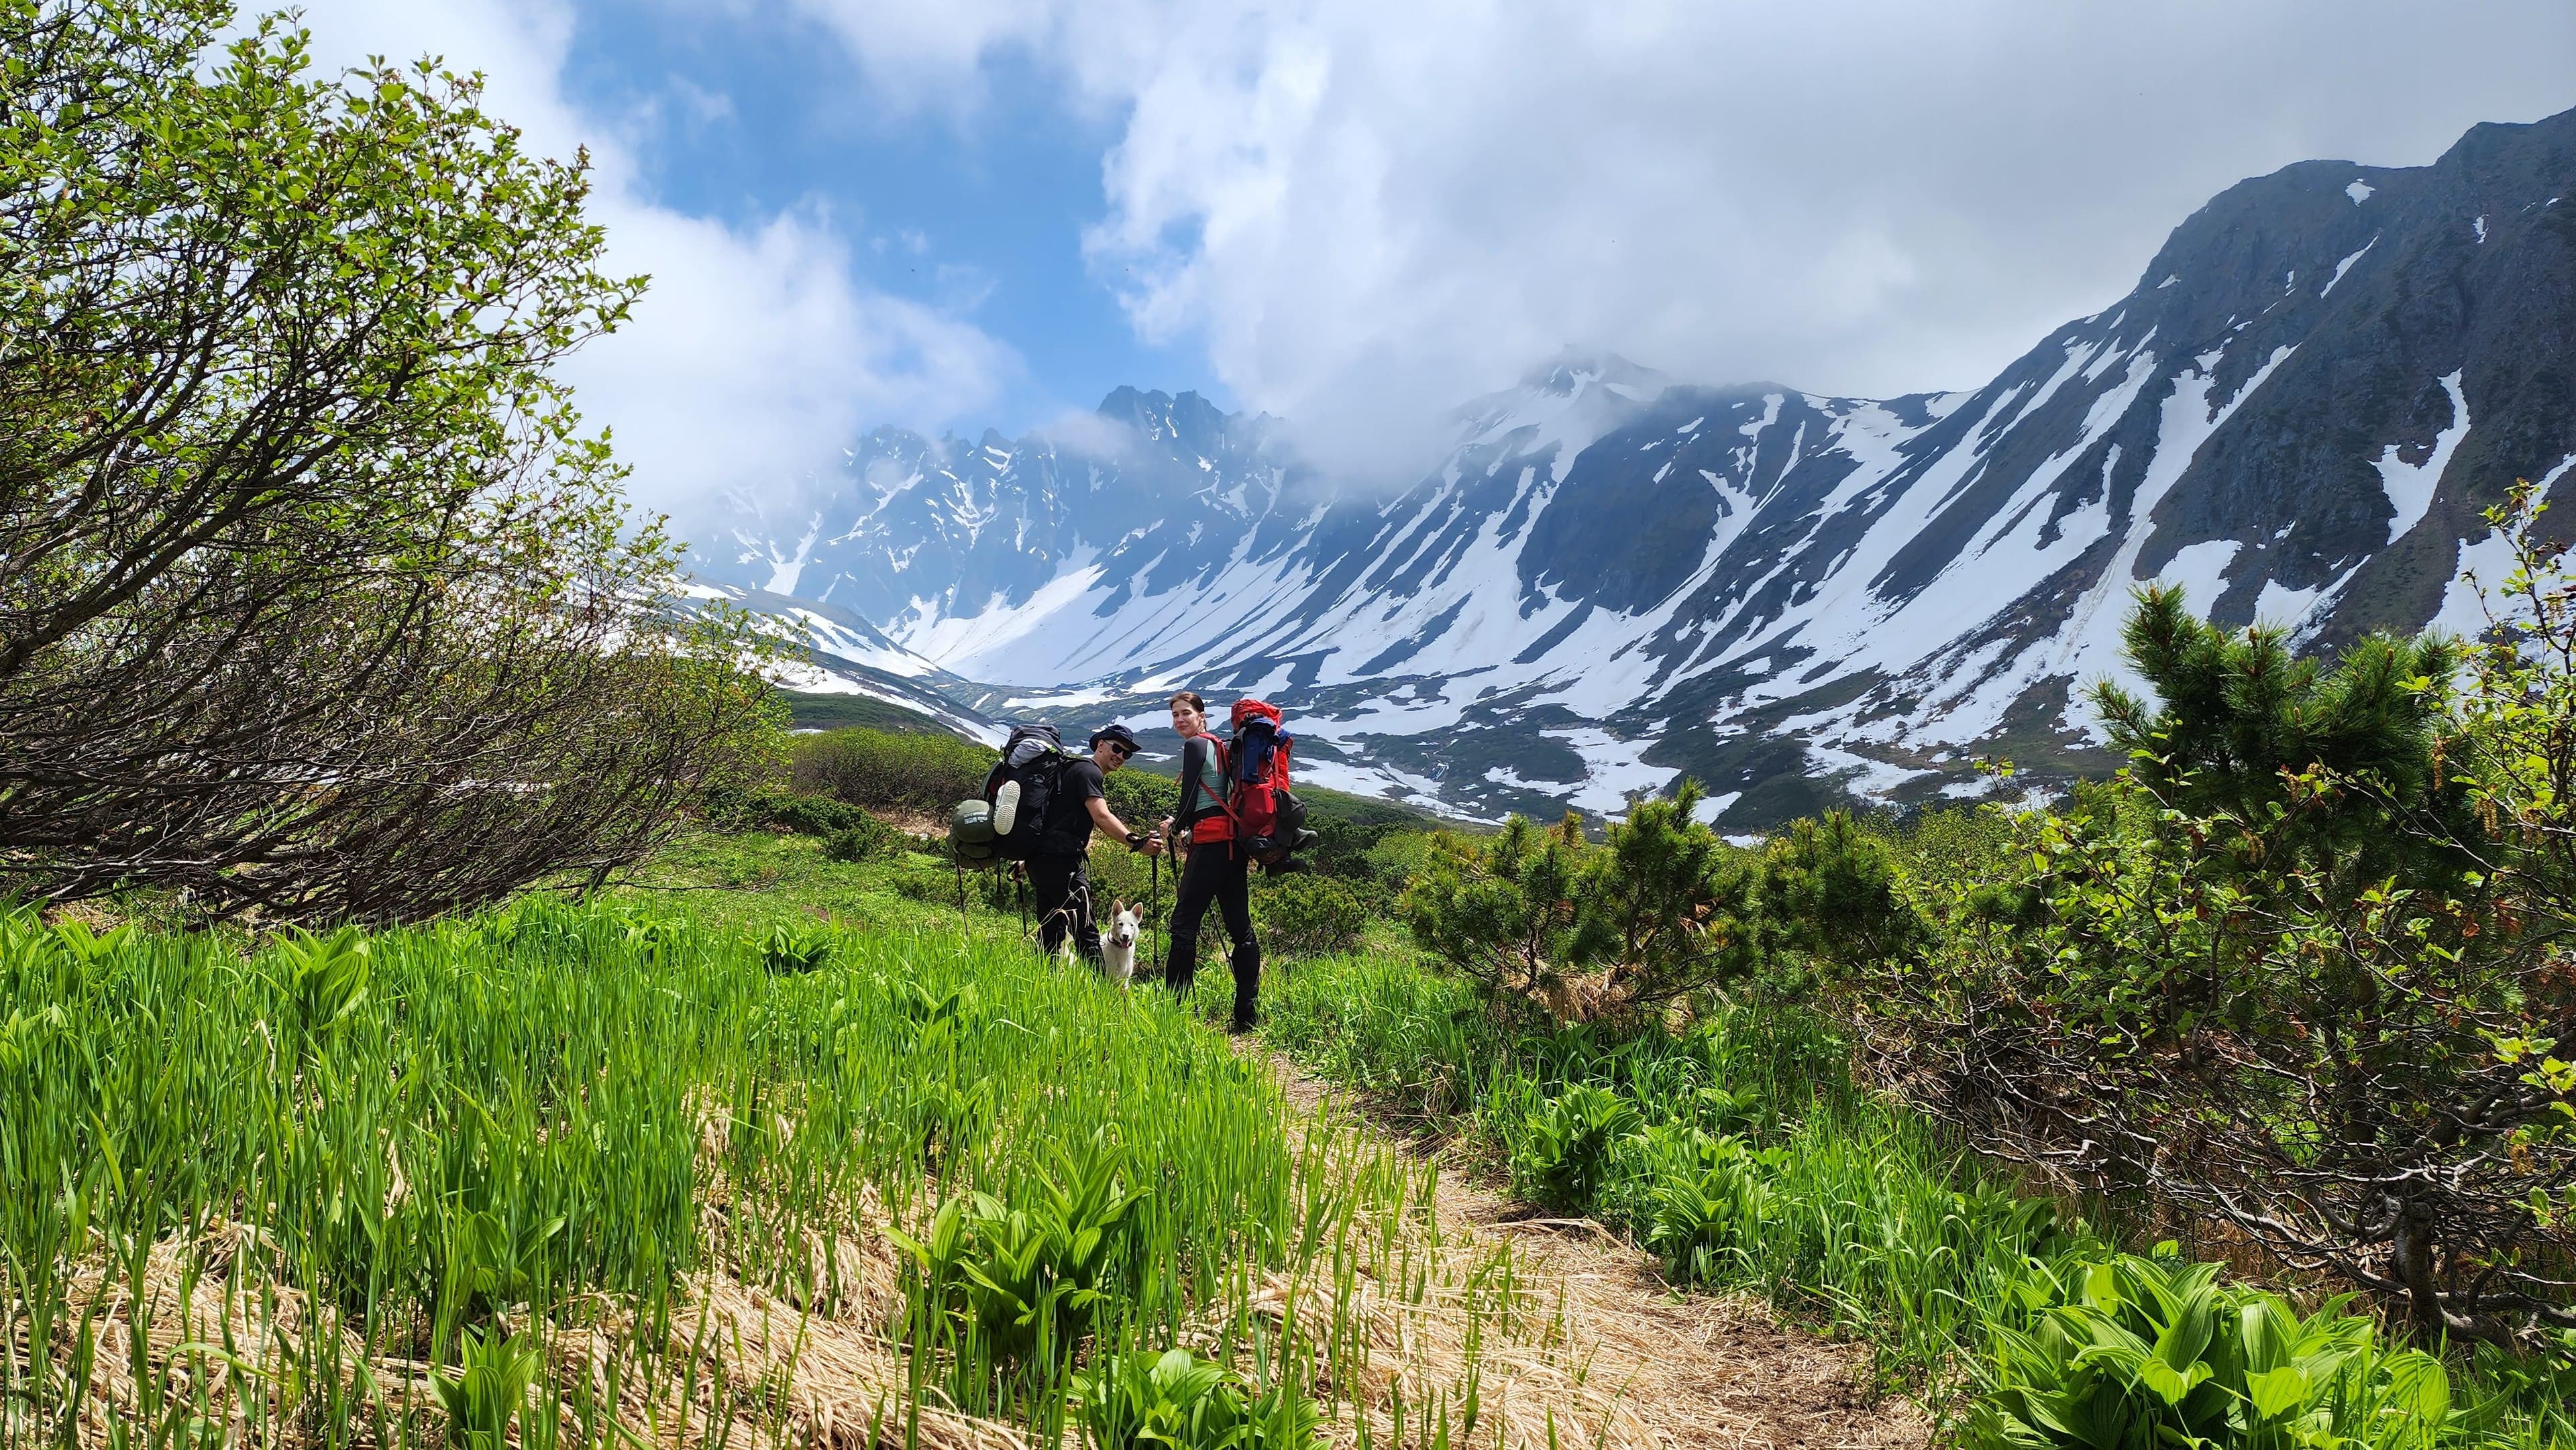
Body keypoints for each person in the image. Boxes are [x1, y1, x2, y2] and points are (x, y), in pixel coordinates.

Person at [1159, 691, 1263, 1031]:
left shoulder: (1194, 746)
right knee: (1241, 930)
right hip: (1233, 847)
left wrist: (1176, 824)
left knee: (1183, 925)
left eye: (1185, 713)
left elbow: (1190, 796)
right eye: (1175, 715)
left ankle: (1178, 1012)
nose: (1179, 720)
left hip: (1210, 843)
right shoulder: (1220, 746)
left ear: (1201, 715)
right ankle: (1247, 1015)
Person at [1030, 722, 1163, 964]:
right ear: (1100, 745)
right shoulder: (1089, 773)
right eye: (1116, 748)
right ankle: (1100, 993)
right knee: (1087, 934)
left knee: (1050, 931)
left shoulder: (1072, 769)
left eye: (1127, 753)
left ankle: (1043, 982)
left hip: (1042, 861)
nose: (1121, 756)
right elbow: (1102, 816)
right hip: (1063, 863)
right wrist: (1137, 842)